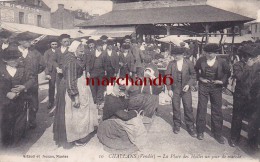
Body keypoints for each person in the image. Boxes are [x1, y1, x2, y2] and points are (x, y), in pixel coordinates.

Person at [53, 40, 98, 148]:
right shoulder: (71, 60)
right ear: (75, 49)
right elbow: (70, 80)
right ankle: (77, 137)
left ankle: (77, 135)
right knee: (75, 111)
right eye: (81, 51)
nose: (83, 53)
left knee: (73, 113)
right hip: (72, 87)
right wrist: (75, 96)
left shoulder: (70, 56)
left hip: (73, 84)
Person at [195, 43, 230, 144]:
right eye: (208, 53)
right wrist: (201, 78)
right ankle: (200, 131)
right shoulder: (200, 60)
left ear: (216, 53)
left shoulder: (222, 62)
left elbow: (228, 73)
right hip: (203, 86)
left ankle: (217, 133)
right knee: (202, 108)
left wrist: (222, 81)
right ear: (205, 52)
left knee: (216, 110)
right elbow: (195, 71)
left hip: (216, 87)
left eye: (212, 53)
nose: (210, 55)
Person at [0, 45, 35, 147]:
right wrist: (7, 93)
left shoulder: (23, 69)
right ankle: (6, 140)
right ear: (5, 60)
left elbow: (32, 79)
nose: (15, 61)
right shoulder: (1, 70)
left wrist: (23, 86)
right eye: (12, 59)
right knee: (6, 120)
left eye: (16, 58)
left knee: (20, 120)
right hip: (4, 100)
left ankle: (17, 141)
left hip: (21, 99)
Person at [97, 83, 146, 153]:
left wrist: (122, 98)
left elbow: (124, 106)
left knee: (129, 133)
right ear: (112, 89)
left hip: (111, 121)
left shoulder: (112, 96)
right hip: (109, 125)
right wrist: (135, 112)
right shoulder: (112, 100)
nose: (119, 89)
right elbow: (125, 116)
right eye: (117, 88)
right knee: (128, 138)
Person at [15, 32, 45, 129]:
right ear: (19, 41)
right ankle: (20, 125)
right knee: (19, 105)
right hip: (16, 84)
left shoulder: (35, 53)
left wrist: (33, 73)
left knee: (34, 104)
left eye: (30, 40)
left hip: (32, 83)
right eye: (26, 40)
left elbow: (42, 65)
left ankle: (32, 121)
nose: (29, 42)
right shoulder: (12, 52)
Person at [229, 44, 256, 147]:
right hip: (240, 95)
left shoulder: (256, 65)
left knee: (253, 119)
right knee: (237, 118)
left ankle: (252, 141)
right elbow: (240, 77)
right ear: (244, 56)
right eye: (248, 56)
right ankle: (234, 139)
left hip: (253, 96)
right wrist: (248, 67)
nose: (250, 58)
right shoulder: (237, 65)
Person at [166, 47, 197, 137]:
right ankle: (177, 125)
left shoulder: (188, 63)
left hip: (186, 88)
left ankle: (190, 127)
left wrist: (189, 85)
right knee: (176, 107)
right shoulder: (171, 64)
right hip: (175, 88)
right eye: (174, 55)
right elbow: (167, 77)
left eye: (177, 55)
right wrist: (169, 89)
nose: (175, 56)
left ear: (182, 55)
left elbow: (193, 75)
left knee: (188, 107)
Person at [86, 40, 107, 107]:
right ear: (96, 46)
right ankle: (94, 100)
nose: (100, 47)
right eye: (99, 46)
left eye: (101, 46)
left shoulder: (104, 53)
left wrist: (106, 70)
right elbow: (88, 63)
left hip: (101, 72)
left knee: (101, 86)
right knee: (93, 86)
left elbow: (106, 63)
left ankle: (99, 101)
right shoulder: (92, 53)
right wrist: (88, 72)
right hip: (93, 72)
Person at [43, 39, 59, 110]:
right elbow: (45, 63)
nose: (54, 45)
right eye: (53, 44)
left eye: (55, 44)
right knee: (52, 87)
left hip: (59, 71)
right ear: (50, 45)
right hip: (51, 71)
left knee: (60, 86)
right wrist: (47, 73)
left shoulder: (59, 51)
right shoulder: (47, 52)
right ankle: (51, 102)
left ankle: (60, 102)